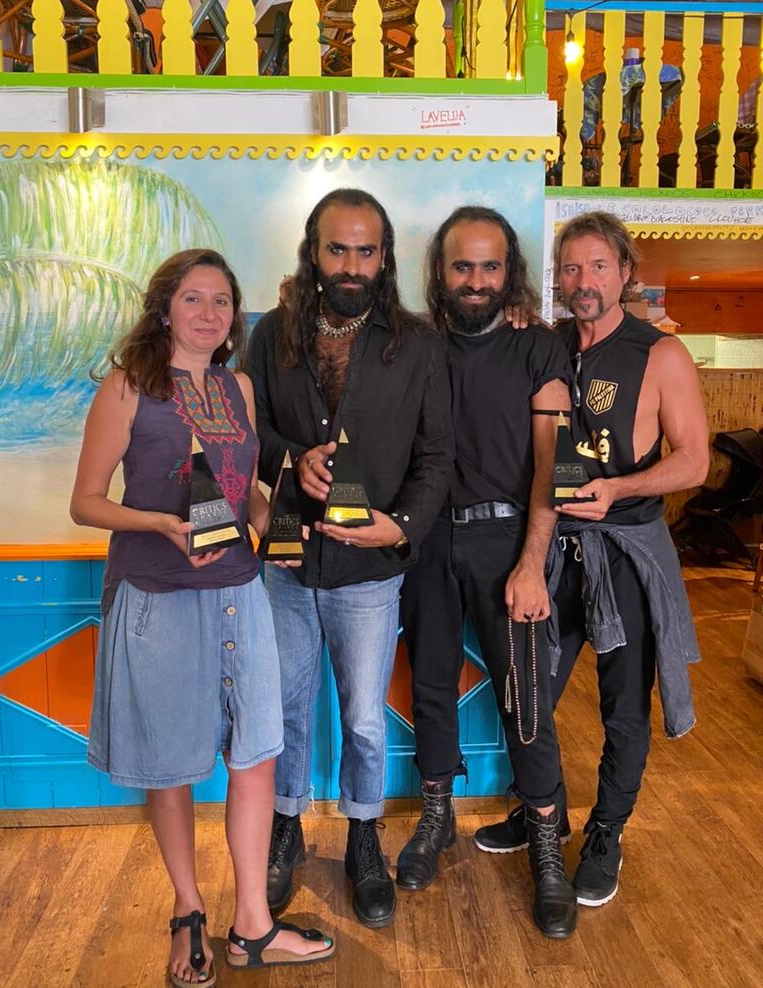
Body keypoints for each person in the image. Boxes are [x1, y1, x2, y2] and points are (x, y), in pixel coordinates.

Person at [70, 249, 333, 986]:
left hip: (239, 589)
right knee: (175, 761)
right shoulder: (128, 388)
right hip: (156, 595)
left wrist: (270, 527)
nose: (209, 313)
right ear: (165, 309)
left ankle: (253, 924)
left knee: (254, 754)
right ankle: (188, 912)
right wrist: (162, 525)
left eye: (222, 301)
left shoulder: (236, 386)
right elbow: (86, 501)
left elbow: (241, 485)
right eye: (194, 299)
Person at [476, 210, 708, 908]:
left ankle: (607, 834)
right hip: (551, 550)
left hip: (627, 554)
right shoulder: (547, 347)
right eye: (571, 269)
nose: (584, 281)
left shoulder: (659, 354)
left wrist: (621, 488)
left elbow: (693, 461)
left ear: (625, 272)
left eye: (598, 267)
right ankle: (544, 808)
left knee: (623, 711)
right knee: (530, 692)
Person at [247, 188, 453, 929]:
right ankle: (286, 830)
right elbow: (249, 430)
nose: (353, 264)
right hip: (287, 562)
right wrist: (291, 459)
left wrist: (398, 528)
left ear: (385, 256)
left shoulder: (418, 343)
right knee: (288, 711)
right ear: (313, 250)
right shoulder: (271, 335)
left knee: (365, 719)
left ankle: (363, 836)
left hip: (371, 573)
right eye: (338, 249)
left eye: (368, 251)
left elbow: (437, 456)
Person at [396, 206, 578, 939]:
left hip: (510, 542)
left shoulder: (538, 352)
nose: (476, 281)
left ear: (511, 272)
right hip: (427, 545)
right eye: (462, 266)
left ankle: (545, 840)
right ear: (440, 272)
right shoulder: (413, 349)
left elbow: (552, 467)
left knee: (526, 702)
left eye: (490, 266)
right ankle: (436, 816)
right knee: (431, 685)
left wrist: (533, 562)